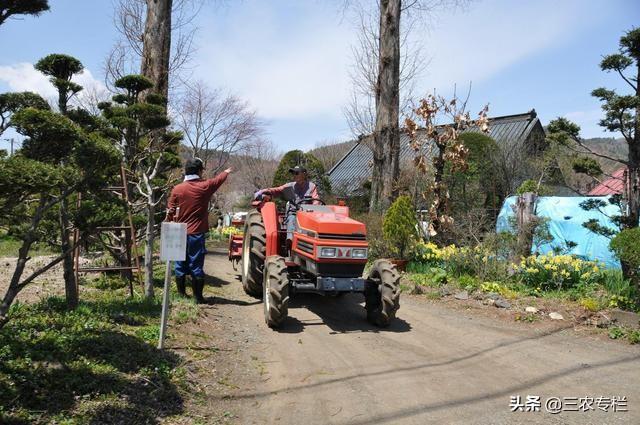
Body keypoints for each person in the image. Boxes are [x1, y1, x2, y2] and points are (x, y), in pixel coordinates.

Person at [166, 158, 232, 303]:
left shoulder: (177, 189)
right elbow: (218, 180)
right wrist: (226, 172)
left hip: (178, 232)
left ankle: (181, 295)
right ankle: (198, 298)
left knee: (180, 264)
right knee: (196, 265)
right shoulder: (205, 186)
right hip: (196, 233)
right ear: (200, 171)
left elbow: (170, 210)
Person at [254, 165, 321, 241]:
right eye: (293, 173)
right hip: (294, 212)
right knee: (291, 218)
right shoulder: (290, 185)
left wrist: (314, 211)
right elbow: (277, 190)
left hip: (308, 214)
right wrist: (263, 191)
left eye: (296, 173)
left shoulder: (312, 186)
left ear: (304, 174)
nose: (294, 175)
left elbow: (316, 201)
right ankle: (290, 240)